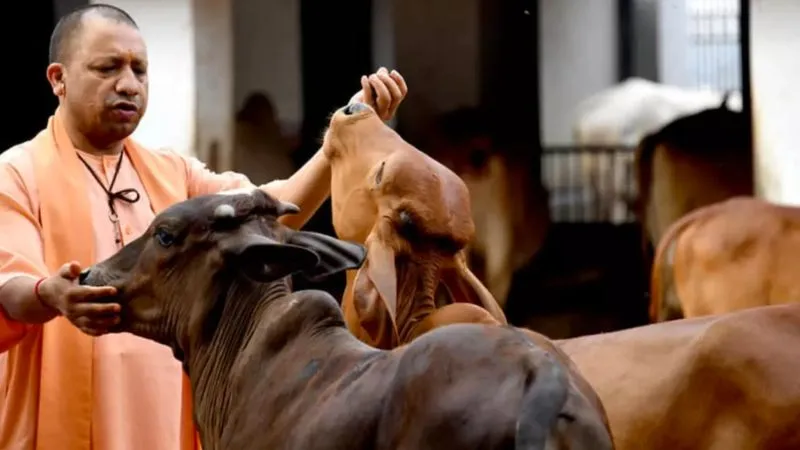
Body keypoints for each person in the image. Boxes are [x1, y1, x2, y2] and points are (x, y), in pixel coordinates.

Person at [0, 4, 407, 450]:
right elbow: (10, 284)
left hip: (165, 424)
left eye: (139, 70)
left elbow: (274, 210)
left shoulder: (172, 173)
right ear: (58, 79)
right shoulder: (17, 173)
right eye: (108, 68)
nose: (129, 84)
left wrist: (345, 134)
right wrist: (50, 294)